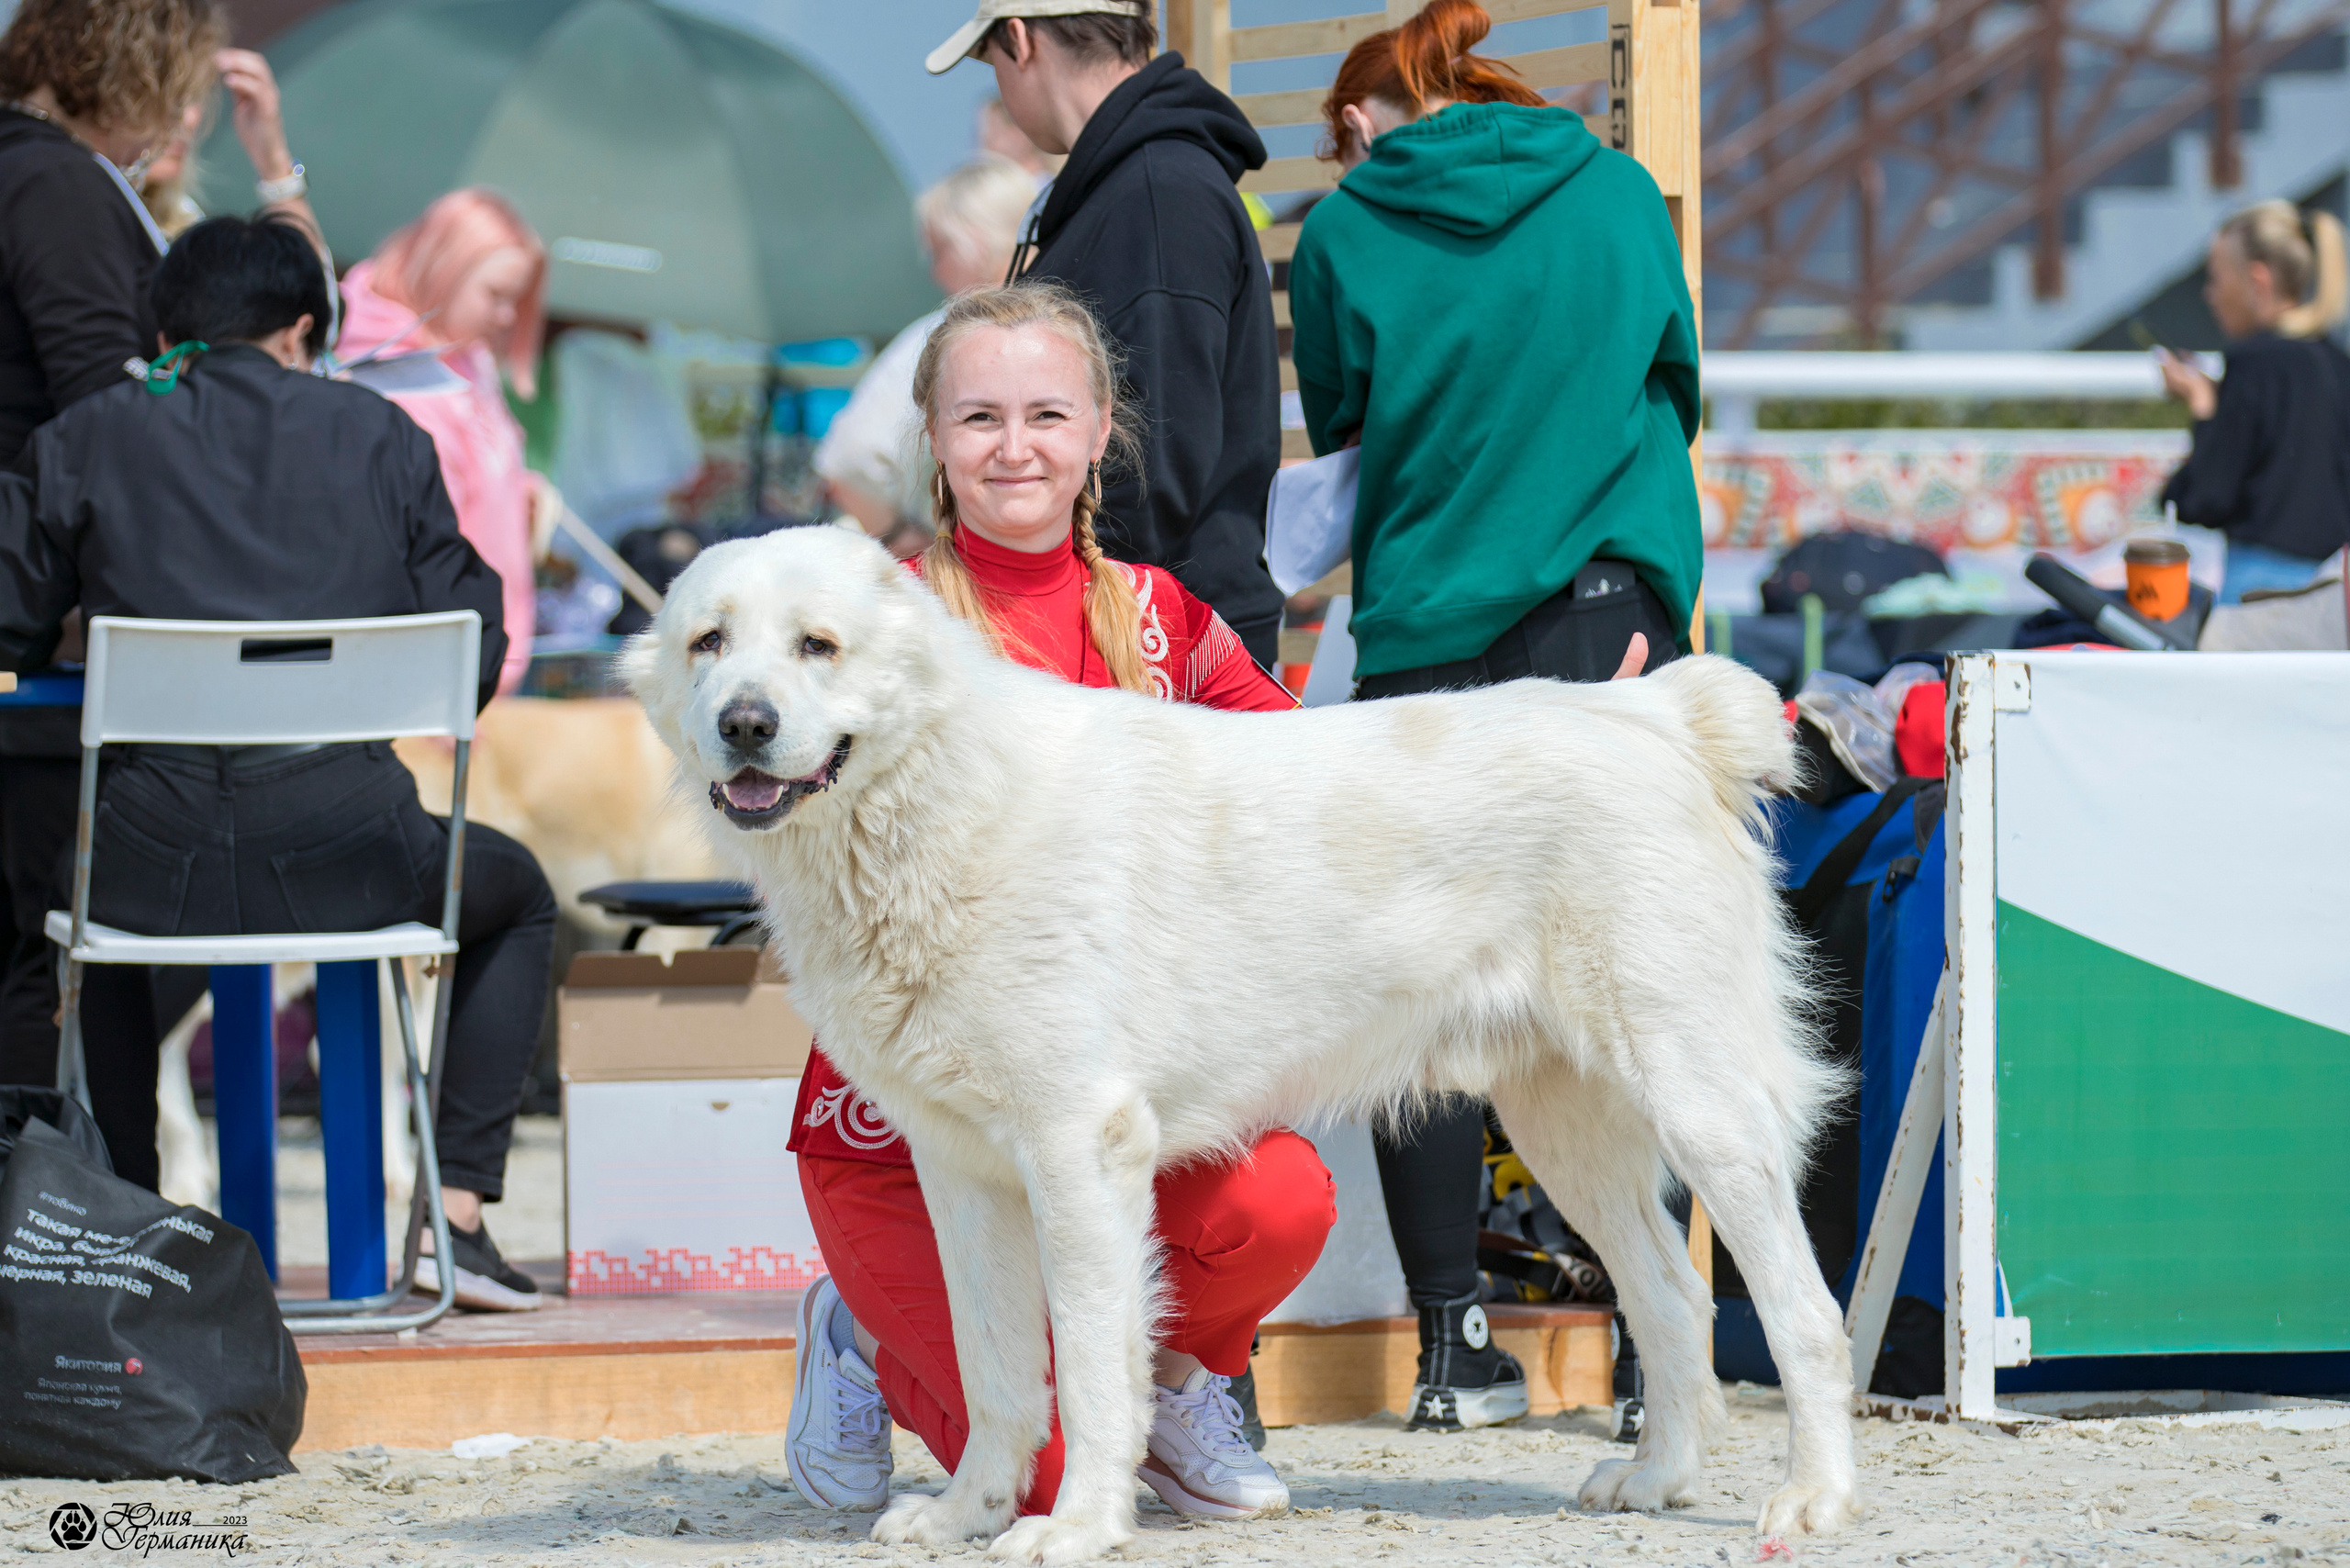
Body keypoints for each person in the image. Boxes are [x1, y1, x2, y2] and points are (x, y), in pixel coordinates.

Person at [784, 283, 1328, 1520]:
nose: (1014, 447)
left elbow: (1311, 784)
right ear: (933, 438)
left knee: (1277, 1202)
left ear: (1099, 431)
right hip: (911, 1139)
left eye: (1045, 414)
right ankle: (857, 1334)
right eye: (979, 417)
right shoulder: (857, 624)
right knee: (1036, 1481)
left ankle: (1174, 1385)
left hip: (1097, 1099)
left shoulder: (1167, 619)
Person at [0, 215, 559, 1311]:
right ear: (302, 331)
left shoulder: (90, 433)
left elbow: (10, 621)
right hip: (355, 853)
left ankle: (130, 1235)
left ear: (168, 328)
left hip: (151, 864)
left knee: (90, 918)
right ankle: (452, 1223)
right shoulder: (381, 434)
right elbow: (473, 650)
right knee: (520, 894)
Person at [1286, 0, 1701, 1431]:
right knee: (1633, 978)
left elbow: (1347, 427)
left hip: (1427, 640)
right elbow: (1674, 379)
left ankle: (1452, 1347)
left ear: (1359, 121)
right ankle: (1650, 1352)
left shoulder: (1343, 231)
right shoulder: (1619, 193)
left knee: (1424, 995)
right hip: (1606, 619)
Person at [0, 0, 220, 1137]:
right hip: (45, 637)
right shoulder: (56, 183)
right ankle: (62, 1220)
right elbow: (105, 410)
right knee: (48, 958)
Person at [925, 0, 1286, 667]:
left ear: (1018, 39)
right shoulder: (1132, 188)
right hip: (1126, 638)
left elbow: (1152, 467)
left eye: (990, 58)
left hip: (1155, 658)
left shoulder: (1154, 194)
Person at [337, 189, 551, 696]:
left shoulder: (464, 357)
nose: (507, 316)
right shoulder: (387, 378)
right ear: (445, 272)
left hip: (476, 655)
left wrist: (520, 494)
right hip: (429, 669)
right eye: (496, 295)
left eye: (515, 300)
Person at [815, 155, 1037, 555]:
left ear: (973, 242)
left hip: (963, 564)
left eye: (938, 251)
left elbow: (848, 459)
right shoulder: (1068, 329)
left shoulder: (944, 336)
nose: (935, 272)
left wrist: (903, 540)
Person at [2158, 201, 2350, 603]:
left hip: (2260, 589)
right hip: (2335, 588)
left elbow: (2206, 499)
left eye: (2216, 279)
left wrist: (2202, 403)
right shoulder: (2336, 362)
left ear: (2256, 280)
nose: (2210, 295)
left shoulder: (2254, 362)